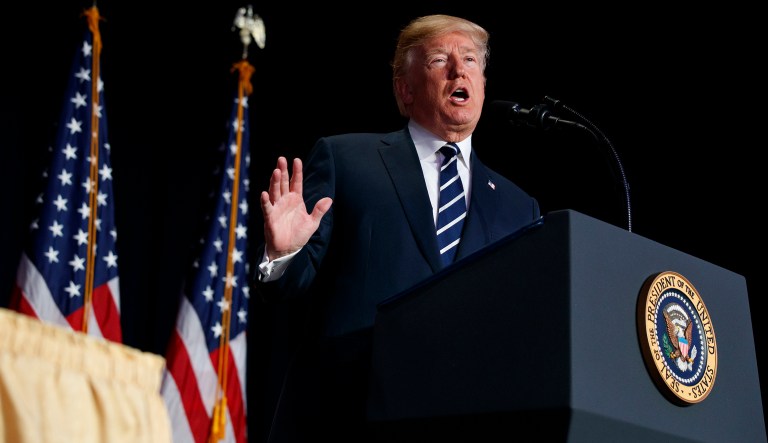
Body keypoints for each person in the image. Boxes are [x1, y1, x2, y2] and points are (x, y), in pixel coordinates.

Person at [254, 14, 541, 443]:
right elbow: (294, 287)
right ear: (405, 89)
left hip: (466, 421)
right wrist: (283, 255)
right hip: (347, 415)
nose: (459, 71)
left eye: (470, 61)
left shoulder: (519, 207)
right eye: (440, 60)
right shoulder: (347, 159)